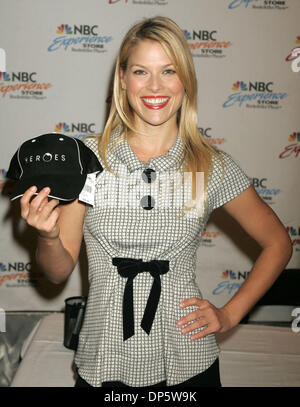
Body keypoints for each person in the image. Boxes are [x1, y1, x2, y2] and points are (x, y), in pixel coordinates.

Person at [19, 16, 292, 388]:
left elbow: (278, 244)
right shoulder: (85, 159)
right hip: (104, 359)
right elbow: (57, 272)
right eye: (141, 72)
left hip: (188, 359)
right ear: (122, 79)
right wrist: (48, 237)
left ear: (186, 80)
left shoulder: (211, 165)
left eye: (168, 71)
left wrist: (229, 315)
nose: (155, 87)